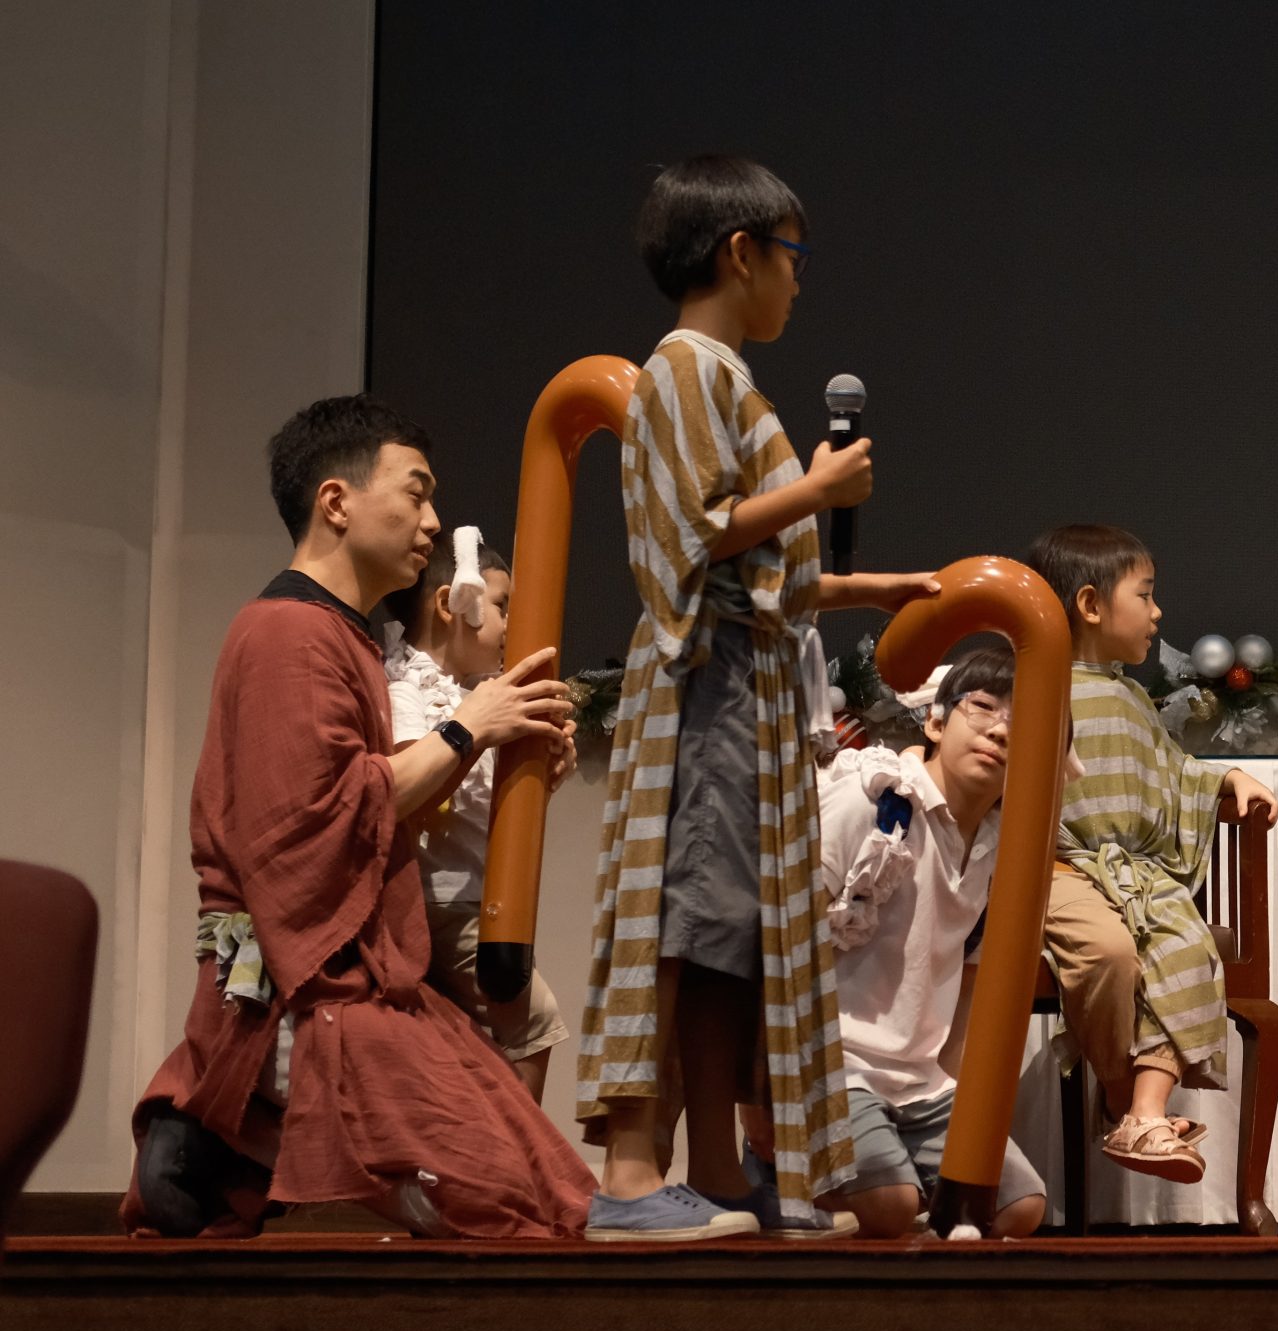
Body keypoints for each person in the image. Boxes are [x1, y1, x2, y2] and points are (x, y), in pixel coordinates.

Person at [124, 395, 595, 1239]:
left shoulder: (336, 639)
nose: (434, 520)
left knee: (543, 1177)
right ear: (336, 503)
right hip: (314, 989)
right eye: (416, 493)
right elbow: (308, 828)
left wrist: (485, 746)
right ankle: (241, 1115)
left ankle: (236, 1137)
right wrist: (467, 728)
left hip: (365, 973)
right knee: (506, 1199)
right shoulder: (286, 636)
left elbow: (369, 810)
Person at [582, 154, 940, 1241]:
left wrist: (854, 583)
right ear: (739, 253)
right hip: (705, 687)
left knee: (735, 928)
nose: (798, 281)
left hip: (744, 679)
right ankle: (635, 1176)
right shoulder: (687, 367)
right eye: (792, 256)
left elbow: (749, 564)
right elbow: (690, 535)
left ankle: (718, 1176)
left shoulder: (720, 376)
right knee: (689, 920)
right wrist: (817, 489)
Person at [1023, 524, 1278, 1183]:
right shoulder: (1031, 687)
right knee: (1109, 951)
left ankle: (1144, 1108)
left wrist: (1225, 779)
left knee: (1185, 942)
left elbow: (1172, 770)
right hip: (1058, 874)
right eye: (1146, 594)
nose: (1159, 611)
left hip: (1134, 876)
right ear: (1090, 604)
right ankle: (1119, 1091)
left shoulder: (1132, 697)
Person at [811, 650, 1048, 1240]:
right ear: (937, 722)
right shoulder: (875, 795)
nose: (999, 730)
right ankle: (784, 1167)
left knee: (1018, 1208)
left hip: (922, 1081)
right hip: (836, 1063)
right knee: (892, 1206)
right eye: (984, 708)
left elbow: (967, 982)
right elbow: (784, 933)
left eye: (1023, 724)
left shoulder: (1008, 850)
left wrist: (960, 1103)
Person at [379, 526, 573, 1098]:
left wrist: (544, 774)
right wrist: (480, 730)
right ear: (451, 603)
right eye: (501, 605)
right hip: (439, 896)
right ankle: (523, 1159)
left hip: (476, 892)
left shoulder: (477, 691)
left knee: (484, 1043)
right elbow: (420, 781)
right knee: (534, 1022)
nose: (511, 625)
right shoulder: (403, 689)